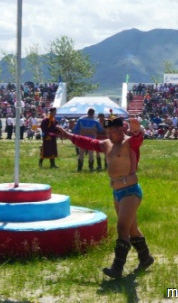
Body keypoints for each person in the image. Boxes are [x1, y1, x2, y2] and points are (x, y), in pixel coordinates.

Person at [57, 117, 154, 279]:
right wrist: (67, 135)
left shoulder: (130, 143)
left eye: (112, 131)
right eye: (107, 131)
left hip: (131, 190)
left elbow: (138, 139)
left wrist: (136, 130)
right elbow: (87, 142)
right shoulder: (106, 144)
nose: (109, 134)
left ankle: (117, 267)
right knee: (131, 229)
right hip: (117, 192)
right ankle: (146, 258)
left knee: (122, 227)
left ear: (121, 129)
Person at [72, 108, 104, 172]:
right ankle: (91, 167)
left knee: (81, 153)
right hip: (91, 139)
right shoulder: (96, 121)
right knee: (91, 153)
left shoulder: (80, 120)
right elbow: (100, 130)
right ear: (93, 113)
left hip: (82, 138)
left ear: (87, 112)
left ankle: (79, 167)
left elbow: (75, 130)